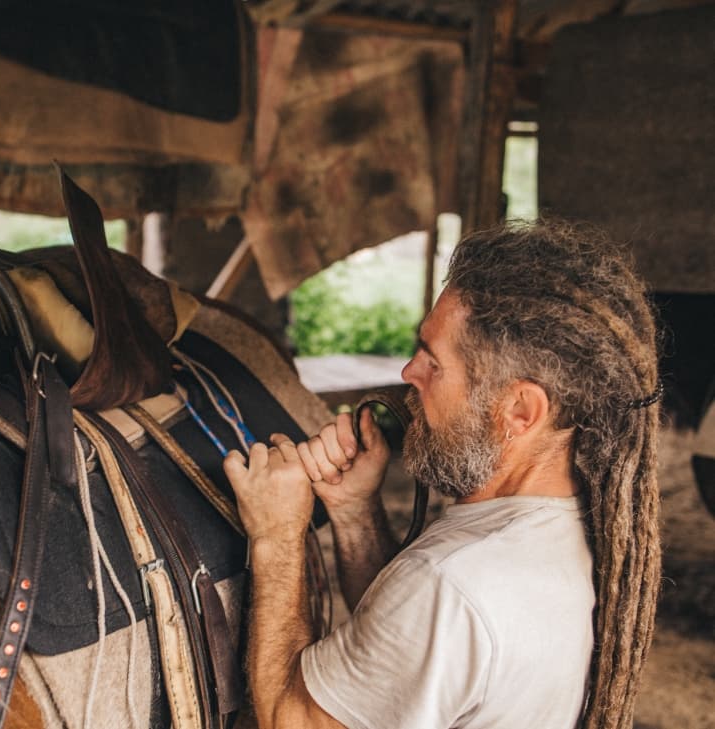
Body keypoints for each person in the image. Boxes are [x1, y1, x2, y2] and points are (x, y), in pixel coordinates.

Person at [224, 221, 662, 729]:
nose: (409, 372)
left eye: (434, 362)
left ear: (520, 410)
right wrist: (353, 513)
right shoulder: (567, 524)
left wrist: (276, 538)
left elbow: (289, 719)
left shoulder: (456, 581)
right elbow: (410, 656)